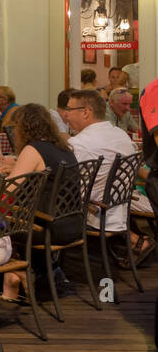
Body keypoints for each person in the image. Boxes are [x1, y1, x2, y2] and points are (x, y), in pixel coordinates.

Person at [0, 103, 78, 302]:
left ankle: (9, 278)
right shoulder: (62, 147)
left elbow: (7, 190)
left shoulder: (33, 148)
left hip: (48, 227)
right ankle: (44, 276)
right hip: (72, 223)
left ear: (23, 127)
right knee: (13, 218)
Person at [64, 89, 153, 263]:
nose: (66, 115)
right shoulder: (120, 135)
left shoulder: (80, 144)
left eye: (69, 109)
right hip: (119, 208)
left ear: (85, 112)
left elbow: (65, 183)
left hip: (94, 213)